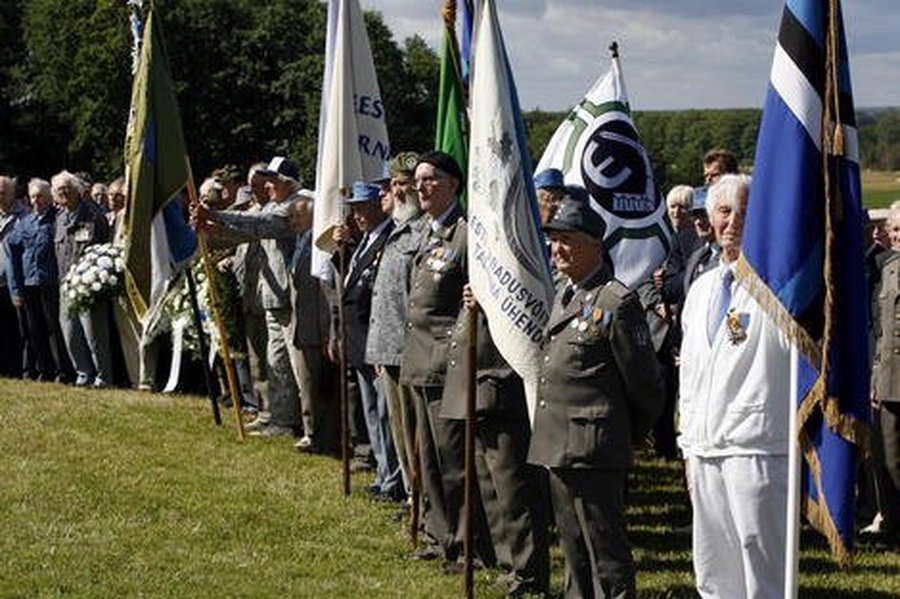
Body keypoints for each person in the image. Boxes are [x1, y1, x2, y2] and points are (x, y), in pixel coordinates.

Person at [529, 187, 664, 599]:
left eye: (567, 240)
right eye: (554, 240)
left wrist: (622, 433)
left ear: (594, 246)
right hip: (558, 442)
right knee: (574, 547)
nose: (557, 249)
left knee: (603, 548)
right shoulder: (566, 295)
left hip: (593, 446)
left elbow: (645, 383)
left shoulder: (616, 302)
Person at [678, 174, 792, 598]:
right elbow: (690, 373)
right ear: (710, 218)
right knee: (713, 569)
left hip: (757, 448)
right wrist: (688, 445)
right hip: (705, 448)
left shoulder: (778, 288)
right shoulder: (702, 289)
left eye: (745, 212)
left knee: (762, 569)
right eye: (725, 212)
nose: (733, 222)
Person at [441, 287, 550, 594]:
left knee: (514, 488)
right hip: (478, 383)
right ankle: (509, 564)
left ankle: (529, 572)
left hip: (505, 384)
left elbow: (530, 300)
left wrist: (491, 302)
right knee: (491, 489)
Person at [194, 156, 303, 438]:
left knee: (289, 364)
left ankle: (292, 421)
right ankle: (278, 416)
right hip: (272, 298)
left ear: (288, 182)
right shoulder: (274, 207)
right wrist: (209, 229)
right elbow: (243, 235)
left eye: (273, 181)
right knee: (275, 361)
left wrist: (216, 216)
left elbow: (259, 223)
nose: (267, 186)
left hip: (290, 300)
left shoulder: (296, 206)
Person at [400, 151, 468, 562]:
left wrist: (452, 351)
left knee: (452, 460)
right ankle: (437, 535)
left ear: (453, 184)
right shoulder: (423, 230)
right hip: (418, 361)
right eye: (418, 179)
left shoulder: (465, 234)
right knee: (427, 458)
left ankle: (463, 543)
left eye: (431, 178)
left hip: (446, 363)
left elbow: (471, 305)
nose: (421, 186)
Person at [331, 181, 401, 499]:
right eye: (354, 209)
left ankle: (393, 480)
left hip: (377, 341)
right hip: (358, 341)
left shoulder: (389, 238)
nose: (357, 215)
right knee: (371, 412)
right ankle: (383, 473)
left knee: (386, 414)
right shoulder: (364, 240)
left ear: (378, 206)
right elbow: (350, 283)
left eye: (362, 208)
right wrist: (343, 250)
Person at [365, 151, 428, 501]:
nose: (398, 191)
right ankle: (411, 496)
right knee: (400, 432)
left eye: (406, 184)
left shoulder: (426, 232)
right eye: (394, 184)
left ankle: (423, 502)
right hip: (388, 349)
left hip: (411, 352)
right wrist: (378, 348)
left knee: (416, 434)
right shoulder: (397, 230)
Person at [6, 178, 73, 383]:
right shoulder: (25, 222)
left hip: (51, 282)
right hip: (30, 284)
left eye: (40, 196)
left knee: (55, 328)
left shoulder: (57, 219)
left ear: (49, 197)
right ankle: (44, 370)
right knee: (35, 330)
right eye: (33, 197)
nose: (36, 201)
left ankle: (62, 371)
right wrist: (16, 288)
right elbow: (13, 253)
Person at [52, 170, 113, 387]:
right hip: (65, 285)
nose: (64, 193)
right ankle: (83, 374)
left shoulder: (94, 217)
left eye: (68, 188)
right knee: (70, 332)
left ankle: (103, 376)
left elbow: (104, 248)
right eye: (60, 190)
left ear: (78, 191)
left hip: (88, 285)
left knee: (94, 334)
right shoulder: (59, 219)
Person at [287, 190, 334, 453]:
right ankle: (312, 432)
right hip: (302, 326)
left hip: (317, 329)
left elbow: (324, 293)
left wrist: (326, 331)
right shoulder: (300, 242)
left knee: (318, 386)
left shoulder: (319, 246)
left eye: (298, 216)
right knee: (307, 385)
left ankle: (322, 437)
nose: (293, 221)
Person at [868, 201, 900, 546]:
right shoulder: (888, 269)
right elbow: (882, 331)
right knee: (888, 457)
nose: (898, 236)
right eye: (894, 230)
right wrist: (876, 378)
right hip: (890, 378)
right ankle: (892, 524)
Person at [0, 174, 29, 378]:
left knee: (18, 329)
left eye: (3, 193)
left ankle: (19, 369)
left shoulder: (24, 216)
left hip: (16, 283)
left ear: (12, 193)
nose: (0, 197)